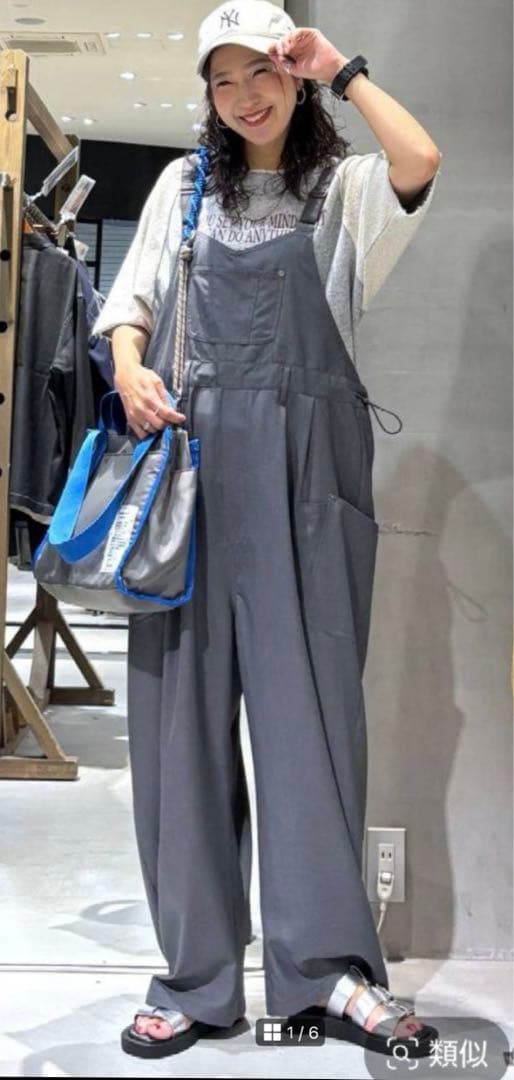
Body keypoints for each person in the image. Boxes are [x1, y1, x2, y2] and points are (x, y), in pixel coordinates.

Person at [93, 0, 442, 1060]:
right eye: (224, 78)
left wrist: (344, 68)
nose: (245, 94)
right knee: (180, 739)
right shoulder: (182, 186)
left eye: (264, 71)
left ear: (294, 76)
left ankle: (325, 975)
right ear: (206, 94)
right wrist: (130, 369)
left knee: (313, 731)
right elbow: (130, 306)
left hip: (307, 484)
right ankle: (196, 981)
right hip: (193, 484)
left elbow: (421, 158)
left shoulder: (343, 190)